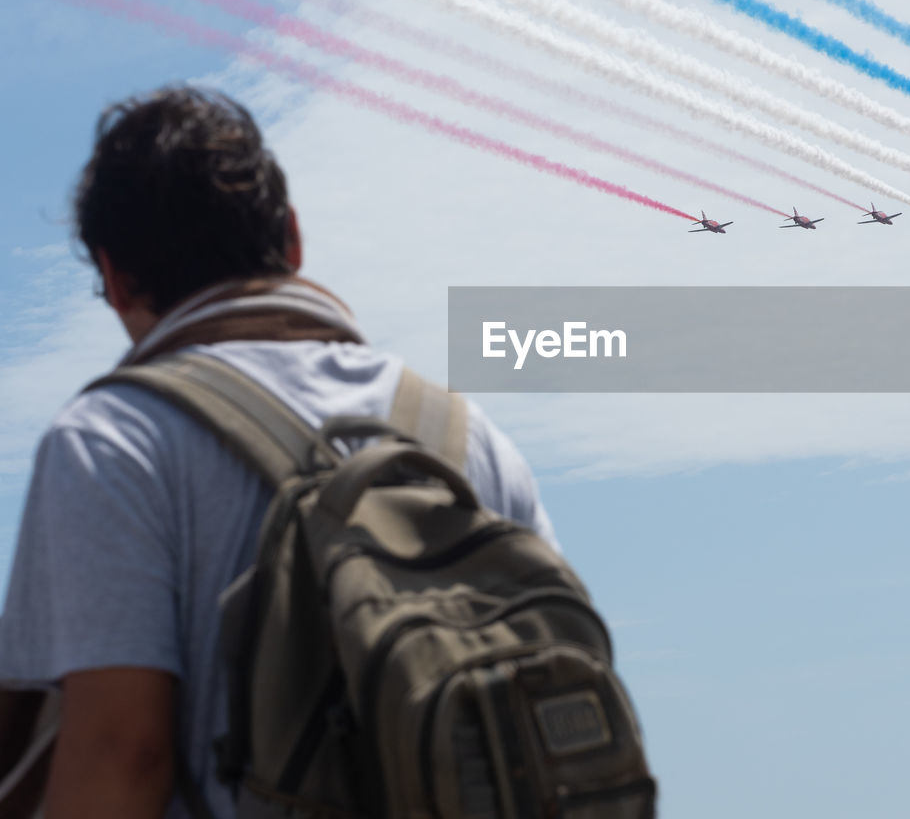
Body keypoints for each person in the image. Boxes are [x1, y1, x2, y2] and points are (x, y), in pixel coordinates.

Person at [0, 86, 557, 819]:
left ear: (114, 276)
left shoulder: (113, 440)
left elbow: (122, 757)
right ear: (292, 239)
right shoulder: (466, 436)